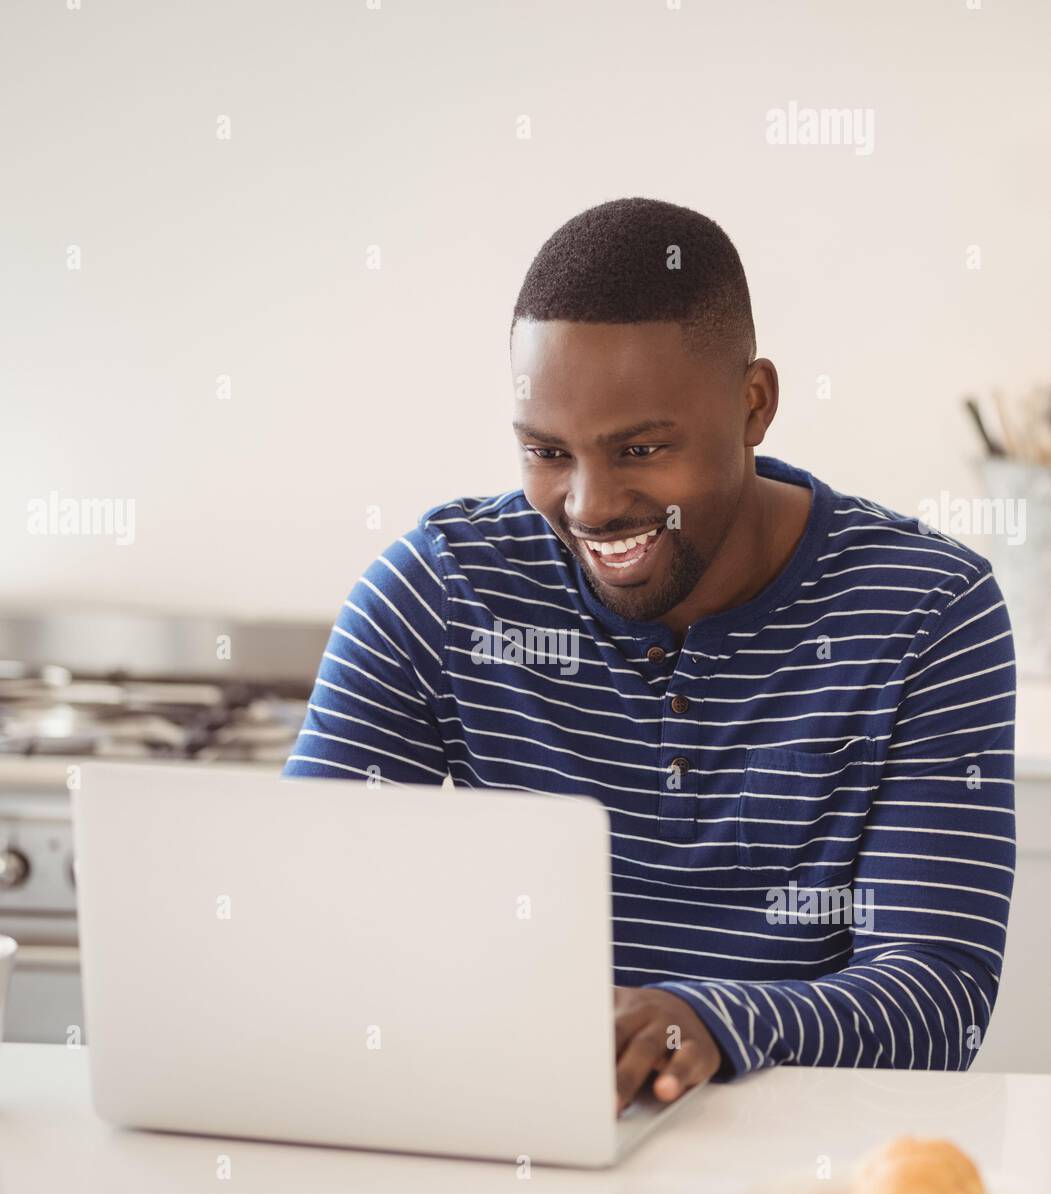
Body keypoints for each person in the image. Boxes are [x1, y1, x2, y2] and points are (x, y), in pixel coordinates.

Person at [283, 196, 1016, 1114]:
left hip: (802, 1161)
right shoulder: (442, 587)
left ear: (753, 405)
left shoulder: (925, 608)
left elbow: (939, 1002)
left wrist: (710, 1021)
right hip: (527, 1136)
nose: (589, 506)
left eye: (639, 448)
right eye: (547, 452)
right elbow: (298, 925)